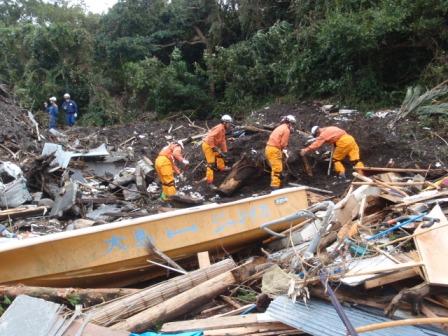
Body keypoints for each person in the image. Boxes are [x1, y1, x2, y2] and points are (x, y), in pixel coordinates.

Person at [300, 125, 364, 178]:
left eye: (316, 135)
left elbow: (317, 144)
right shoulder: (330, 128)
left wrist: (305, 150)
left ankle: (341, 173)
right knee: (355, 160)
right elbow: (334, 136)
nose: (317, 136)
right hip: (350, 139)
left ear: (317, 132)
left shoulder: (323, 135)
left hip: (343, 142)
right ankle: (362, 173)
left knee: (336, 159)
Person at [265, 115, 296, 189]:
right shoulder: (286, 130)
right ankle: (275, 187)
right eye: (293, 124)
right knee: (277, 168)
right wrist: (285, 150)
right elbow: (283, 144)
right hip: (274, 149)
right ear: (290, 123)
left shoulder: (280, 127)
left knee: (276, 167)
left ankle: (278, 183)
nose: (293, 126)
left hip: (269, 148)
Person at [201, 114, 233, 185]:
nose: (229, 125)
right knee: (211, 164)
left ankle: (222, 167)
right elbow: (210, 137)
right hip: (207, 145)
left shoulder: (223, 129)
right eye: (229, 123)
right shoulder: (219, 128)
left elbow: (222, 141)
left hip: (213, 145)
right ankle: (209, 182)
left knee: (219, 155)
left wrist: (224, 151)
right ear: (224, 123)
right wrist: (213, 147)